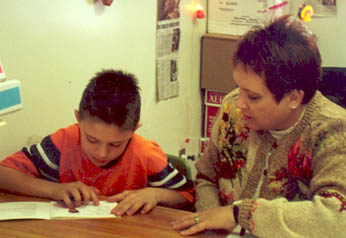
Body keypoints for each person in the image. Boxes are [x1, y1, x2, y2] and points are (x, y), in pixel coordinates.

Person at [172, 15, 346, 238]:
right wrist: (211, 222)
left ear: (293, 98)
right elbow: (207, 178)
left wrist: (239, 214)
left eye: (253, 97)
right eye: (239, 88)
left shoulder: (334, 131)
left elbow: (337, 218)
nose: (239, 102)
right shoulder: (232, 109)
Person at [0, 69, 194, 216]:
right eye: (92, 139)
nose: (101, 153)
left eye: (116, 144)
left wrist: (155, 195)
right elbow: (3, 174)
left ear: (134, 130)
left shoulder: (145, 155)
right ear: (78, 119)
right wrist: (54, 189)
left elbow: (188, 196)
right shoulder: (62, 143)